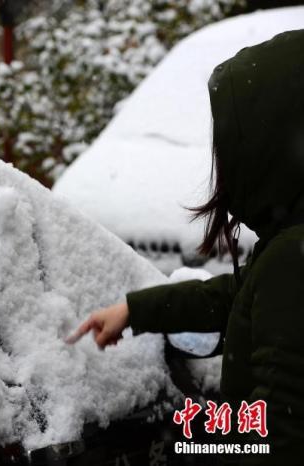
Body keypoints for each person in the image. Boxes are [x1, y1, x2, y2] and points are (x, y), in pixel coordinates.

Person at [67, 29, 304, 465]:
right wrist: (138, 310)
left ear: (271, 142)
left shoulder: (294, 256)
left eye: (231, 139)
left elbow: (279, 437)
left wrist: (189, 446)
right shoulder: (290, 247)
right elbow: (236, 296)